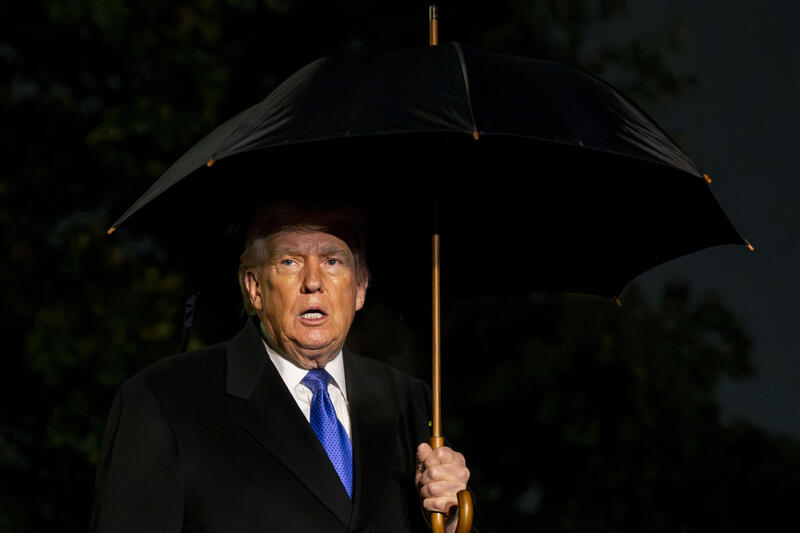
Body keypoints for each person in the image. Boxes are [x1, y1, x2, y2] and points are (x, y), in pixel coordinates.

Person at [90, 203, 472, 532]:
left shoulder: (408, 399)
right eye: (289, 261)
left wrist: (452, 521)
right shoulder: (164, 399)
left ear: (360, 288)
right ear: (255, 287)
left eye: (332, 261)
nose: (312, 282)